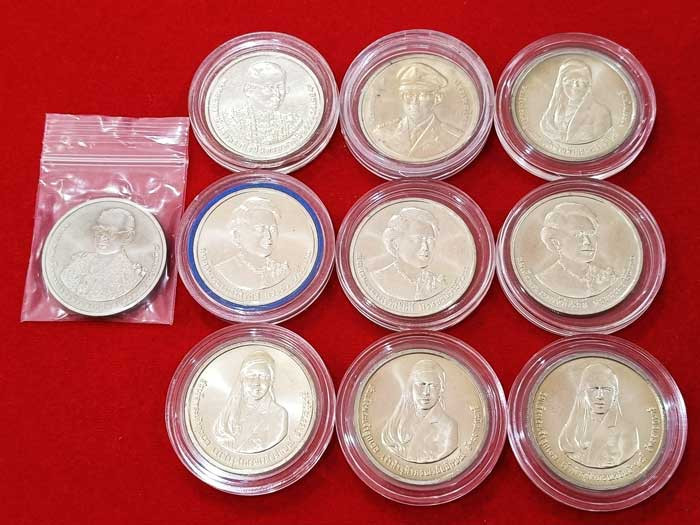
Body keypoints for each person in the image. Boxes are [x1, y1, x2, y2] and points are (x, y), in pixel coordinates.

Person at [372, 62, 463, 159]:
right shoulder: (383, 133)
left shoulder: (452, 136)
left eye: (422, 95)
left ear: (437, 98)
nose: (414, 102)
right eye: (408, 94)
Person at [559, 363, 640, 468]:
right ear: (584, 393)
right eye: (594, 389)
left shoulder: (627, 430)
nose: (599, 396)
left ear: (615, 394)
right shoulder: (571, 430)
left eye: (606, 389)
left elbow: (625, 465)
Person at [381, 359, 458, 463]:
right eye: (421, 384)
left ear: (441, 390)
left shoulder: (449, 426)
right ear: (411, 387)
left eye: (432, 385)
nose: (426, 392)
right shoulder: (396, 423)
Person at [60, 208, 146, 301]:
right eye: (99, 231)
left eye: (110, 233)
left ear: (128, 236)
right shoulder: (80, 260)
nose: (102, 237)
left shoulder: (129, 276)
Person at [536, 202, 617, 299]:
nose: (587, 242)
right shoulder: (546, 279)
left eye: (591, 233)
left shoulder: (607, 278)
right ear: (556, 242)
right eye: (577, 234)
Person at [213, 350, 289, 454]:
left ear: (270, 381)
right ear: (242, 379)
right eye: (251, 376)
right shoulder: (227, 414)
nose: (257, 383)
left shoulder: (278, 415)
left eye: (263, 377)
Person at [371, 207, 447, 301]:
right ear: (396, 243)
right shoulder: (379, 279)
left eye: (430, 240)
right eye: (417, 239)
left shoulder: (437, 283)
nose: (425, 247)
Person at [215, 196, 290, 290]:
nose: (268, 236)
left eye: (272, 229)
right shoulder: (225, 270)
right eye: (260, 229)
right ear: (237, 235)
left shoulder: (281, 270)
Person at [540, 59, 612, 145]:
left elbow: (602, 141)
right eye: (569, 81)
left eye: (580, 81)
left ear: (588, 84)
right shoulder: (554, 110)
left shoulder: (601, 113)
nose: (575, 85)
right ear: (561, 84)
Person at [229, 61, 303, 146]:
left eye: (280, 87)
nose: (277, 94)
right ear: (249, 90)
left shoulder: (292, 123)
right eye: (269, 87)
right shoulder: (234, 122)